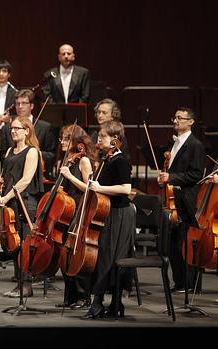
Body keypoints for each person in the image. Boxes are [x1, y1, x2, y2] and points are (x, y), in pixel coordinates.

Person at [84, 120, 135, 318]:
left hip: (119, 215)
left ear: (116, 140)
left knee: (110, 257)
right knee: (103, 256)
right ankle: (103, 302)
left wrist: (99, 188)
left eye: (103, 136)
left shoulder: (120, 161)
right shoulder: (107, 159)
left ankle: (111, 302)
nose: (99, 138)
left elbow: (126, 189)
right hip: (108, 213)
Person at [158, 107, 205, 294]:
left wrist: (171, 178)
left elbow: (195, 175)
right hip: (173, 199)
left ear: (191, 121)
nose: (175, 121)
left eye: (180, 118)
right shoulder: (174, 144)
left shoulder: (196, 145)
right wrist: (164, 178)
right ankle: (179, 282)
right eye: (174, 117)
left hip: (187, 200)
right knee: (172, 244)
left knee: (184, 243)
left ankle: (189, 283)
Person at [0, 116, 43, 298]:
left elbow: (25, 180)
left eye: (17, 128)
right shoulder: (9, 151)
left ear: (27, 131)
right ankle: (19, 284)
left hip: (25, 202)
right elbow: (2, 177)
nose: (13, 131)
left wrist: (7, 196)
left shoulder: (32, 152)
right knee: (14, 244)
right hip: (11, 203)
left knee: (24, 244)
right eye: (12, 129)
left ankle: (26, 286)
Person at [57, 124, 98, 309]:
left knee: (75, 253)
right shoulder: (67, 160)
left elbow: (89, 188)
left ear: (77, 141)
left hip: (79, 209)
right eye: (62, 139)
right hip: (65, 211)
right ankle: (70, 296)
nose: (63, 142)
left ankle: (83, 296)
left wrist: (70, 177)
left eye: (66, 139)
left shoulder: (83, 161)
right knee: (63, 252)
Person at [0, 89, 56, 179]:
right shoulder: (7, 128)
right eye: (17, 104)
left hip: (38, 176)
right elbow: (3, 154)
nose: (20, 106)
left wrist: (34, 154)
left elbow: (52, 155)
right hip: (13, 176)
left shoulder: (45, 127)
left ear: (31, 106)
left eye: (24, 103)